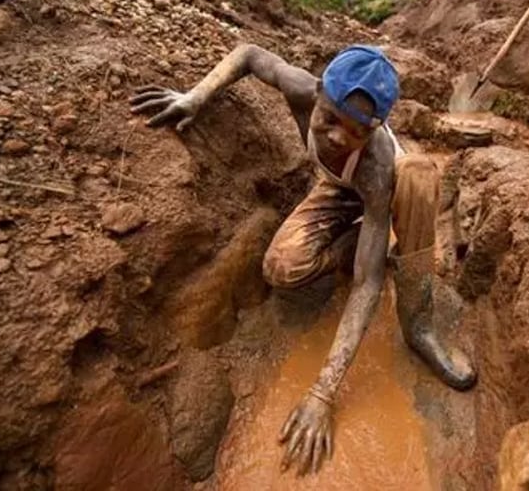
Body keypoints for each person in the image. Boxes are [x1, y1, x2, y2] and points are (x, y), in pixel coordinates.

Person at [130, 43, 476, 475]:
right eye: (329, 119)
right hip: (337, 191)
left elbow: (367, 284)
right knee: (280, 268)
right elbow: (249, 55)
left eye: (354, 132)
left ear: (373, 131)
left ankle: (419, 324)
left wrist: (322, 393)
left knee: (419, 177)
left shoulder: (377, 164)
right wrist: (195, 97)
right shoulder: (301, 88)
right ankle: (355, 246)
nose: (336, 137)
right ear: (318, 94)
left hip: (384, 197)